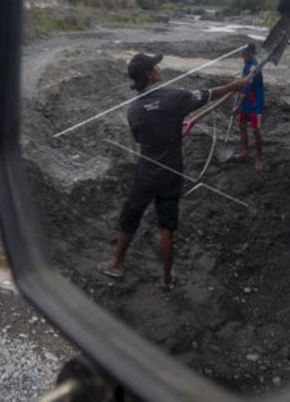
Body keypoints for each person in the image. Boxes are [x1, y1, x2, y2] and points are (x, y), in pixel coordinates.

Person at [97, 52, 250, 290]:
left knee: (130, 218)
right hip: (171, 173)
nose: (159, 67)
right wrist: (236, 85)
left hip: (147, 172)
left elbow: (143, 138)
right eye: (155, 66)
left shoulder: (134, 110)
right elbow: (210, 94)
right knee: (167, 227)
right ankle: (166, 280)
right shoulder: (175, 97)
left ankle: (117, 263)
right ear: (149, 74)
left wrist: (172, 130)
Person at [237, 43, 265, 170]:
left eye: (245, 55)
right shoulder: (246, 65)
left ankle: (259, 158)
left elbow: (248, 83)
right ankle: (244, 151)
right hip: (245, 102)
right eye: (242, 55)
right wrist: (238, 104)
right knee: (242, 126)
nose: (243, 57)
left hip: (255, 102)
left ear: (251, 54)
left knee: (255, 130)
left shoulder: (255, 66)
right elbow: (242, 86)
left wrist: (243, 94)